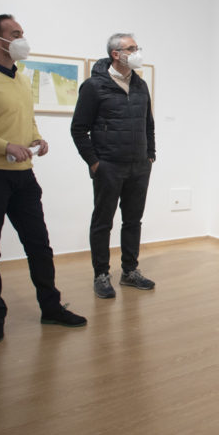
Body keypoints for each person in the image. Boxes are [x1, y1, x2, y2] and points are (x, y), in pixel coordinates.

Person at [0, 14, 86, 344]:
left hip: (24, 178)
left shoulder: (21, 78)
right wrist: (3, 146)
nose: (23, 38)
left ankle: (51, 308)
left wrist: (36, 138)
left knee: (39, 246)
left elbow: (25, 119)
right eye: (16, 33)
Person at [70, 33, 156, 299]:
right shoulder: (94, 86)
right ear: (116, 54)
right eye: (131, 48)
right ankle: (101, 274)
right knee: (102, 222)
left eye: (137, 47)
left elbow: (148, 124)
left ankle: (130, 271)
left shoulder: (140, 85)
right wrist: (95, 163)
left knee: (133, 221)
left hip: (139, 166)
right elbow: (78, 129)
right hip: (109, 166)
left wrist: (150, 154)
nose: (137, 51)